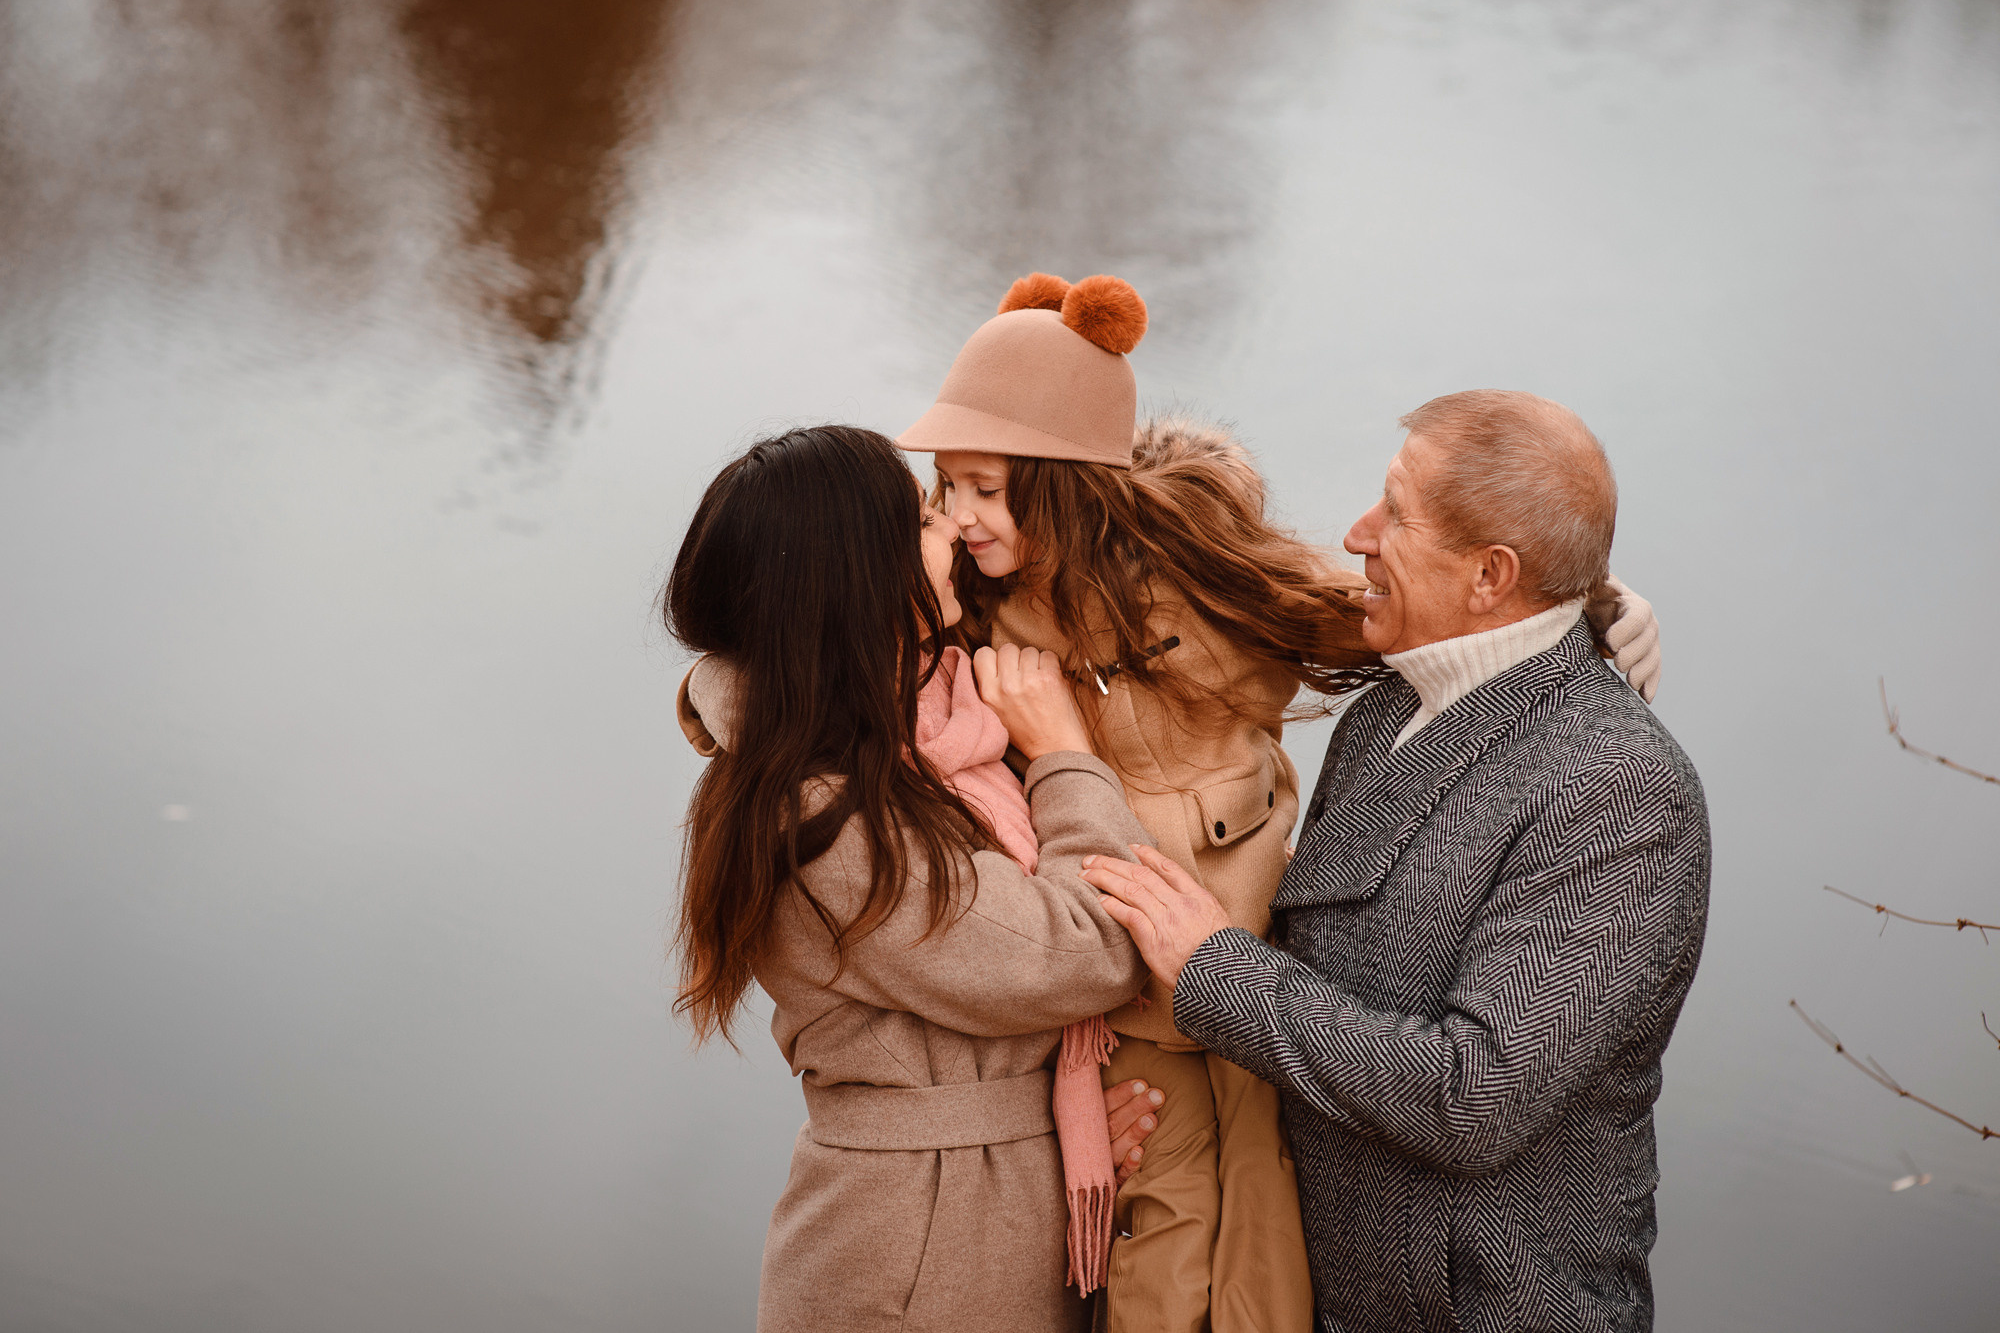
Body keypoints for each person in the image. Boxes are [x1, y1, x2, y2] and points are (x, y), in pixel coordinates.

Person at [897, 275, 1665, 1333]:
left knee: (1236, 1277)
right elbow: (791, 661)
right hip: (1125, 1050)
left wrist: (1594, 610)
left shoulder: (1608, 789)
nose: (1355, 532)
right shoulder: (961, 616)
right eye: (947, 488)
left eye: (984, 487)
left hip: (1261, 1065)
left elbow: (1358, 616)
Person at [1084, 390, 1712, 1333]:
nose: (1356, 532)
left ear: (1491, 575)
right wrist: (1135, 1107)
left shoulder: (1619, 789)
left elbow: (1476, 1094)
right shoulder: (1388, 708)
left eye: (1395, 512)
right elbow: (1312, 985)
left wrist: (1213, 969)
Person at [666, 424, 1166, 1333]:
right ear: (868, 581)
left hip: (963, 1212)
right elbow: (1090, 948)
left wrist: (1055, 1126)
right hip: (915, 1263)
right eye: (926, 517)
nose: (950, 532)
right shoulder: (827, 821)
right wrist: (1063, 754)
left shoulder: (902, 744)